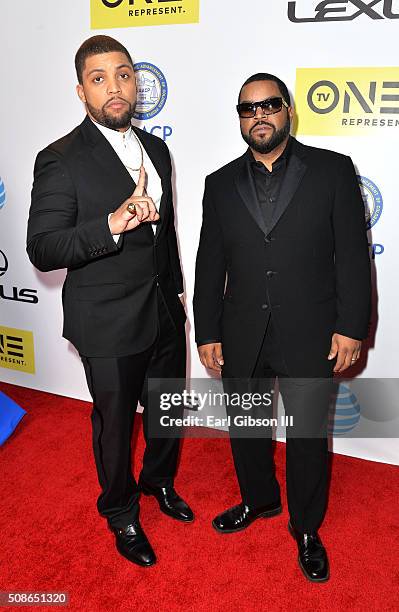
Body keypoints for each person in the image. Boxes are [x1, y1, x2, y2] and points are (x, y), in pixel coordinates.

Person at [193, 73, 371, 582]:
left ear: (288, 110)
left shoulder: (333, 171)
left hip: (312, 329)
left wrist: (351, 326)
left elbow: (353, 259)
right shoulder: (219, 182)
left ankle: (307, 527)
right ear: (241, 119)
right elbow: (210, 263)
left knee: (308, 436)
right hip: (242, 328)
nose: (259, 116)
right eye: (248, 109)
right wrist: (208, 331)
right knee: (247, 429)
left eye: (269, 105)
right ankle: (258, 500)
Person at [27, 35, 193, 568]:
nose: (115, 87)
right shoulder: (59, 159)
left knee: (168, 411)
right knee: (116, 425)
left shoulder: (158, 149)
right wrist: (111, 225)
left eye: (123, 74)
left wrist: (178, 294)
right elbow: (44, 247)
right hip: (107, 319)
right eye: (99, 78)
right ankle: (120, 510)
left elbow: (164, 235)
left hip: (164, 309)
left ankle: (159, 483)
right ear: (81, 91)